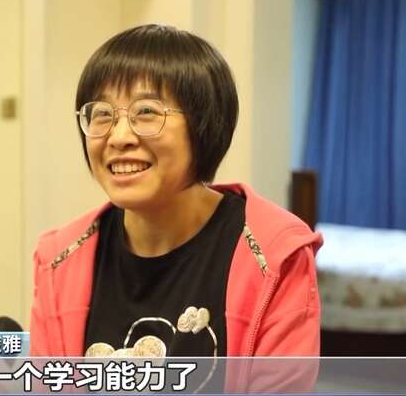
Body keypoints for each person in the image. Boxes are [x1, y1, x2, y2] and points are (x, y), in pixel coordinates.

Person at [29, 25, 323, 359]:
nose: (119, 137)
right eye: (102, 114)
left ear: (204, 125)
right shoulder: (59, 258)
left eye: (146, 112)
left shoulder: (275, 255)